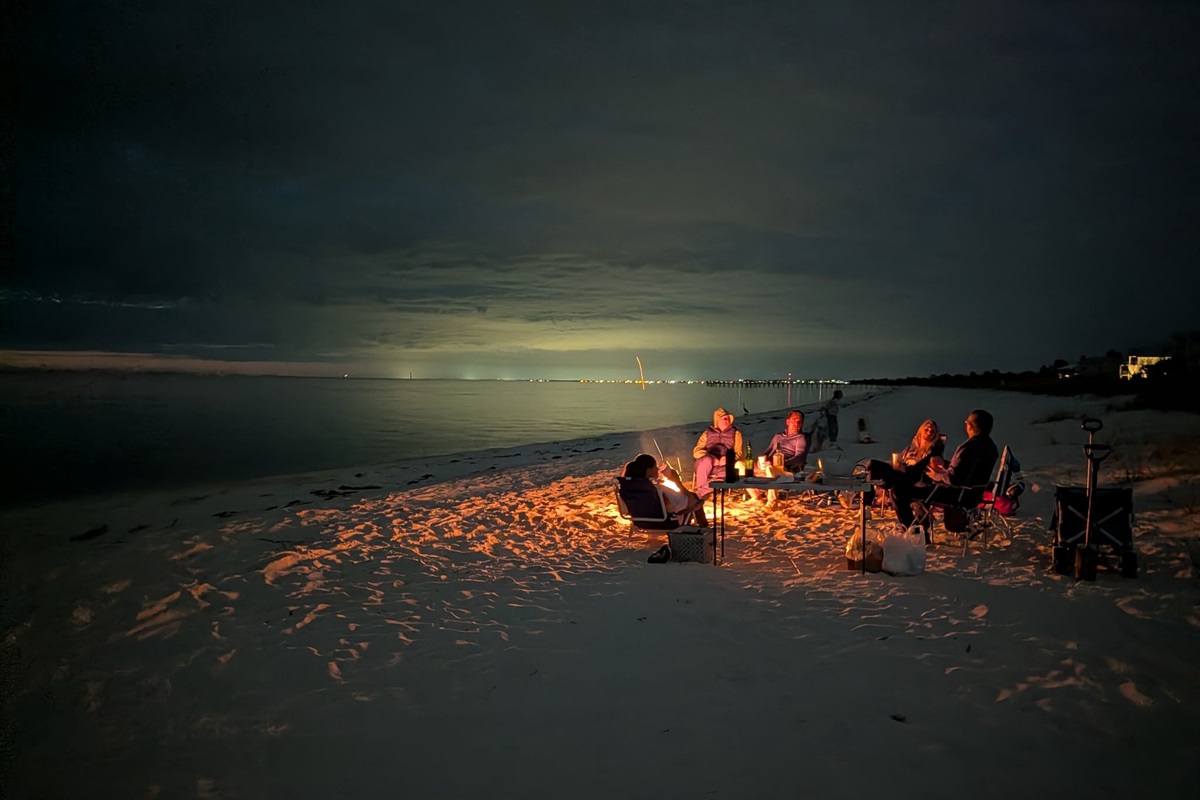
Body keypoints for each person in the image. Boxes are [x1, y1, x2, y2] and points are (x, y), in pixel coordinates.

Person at [914, 409, 1000, 529]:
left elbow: (953, 480)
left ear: (969, 426)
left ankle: (919, 531)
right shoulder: (992, 448)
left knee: (914, 488)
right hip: (974, 496)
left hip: (957, 496)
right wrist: (945, 465)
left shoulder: (966, 448)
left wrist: (935, 474)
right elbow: (967, 471)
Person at [864, 419, 946, 528]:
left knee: (878, 473)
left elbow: (920, 468)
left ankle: (912, 528)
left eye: (932, 432)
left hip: (913, 478)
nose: (928, 433)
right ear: (921, 431)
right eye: (926, 430)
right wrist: (898, 464)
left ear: (935, 435)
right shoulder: (913, 446)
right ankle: (867, 506)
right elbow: (902, 459)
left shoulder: (933, 450)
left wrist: (904, 469)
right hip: (900, 474)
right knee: (871, 466)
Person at [624, 453, 708, 527]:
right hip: (665, 523)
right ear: (649, 471)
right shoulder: (658, 489)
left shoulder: (628, 488)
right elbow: (689, 501)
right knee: (695, 499)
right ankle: (704, 527)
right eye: (655, 466)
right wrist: (676, 480)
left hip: (641, 523)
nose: (657, 469)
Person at [691, 407, 744, 501]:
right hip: (707, 463)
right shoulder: (707, 433)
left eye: (727, 418)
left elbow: (739, 452)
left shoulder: (736, 434)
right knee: (706, 461)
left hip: (724, 465)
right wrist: (711, 457)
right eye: (724, 418)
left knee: (730, 473)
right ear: (717, 420)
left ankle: (701, 492)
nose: (726, 420)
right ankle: (704, 490)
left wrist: (728, 458)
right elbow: (696, 451)